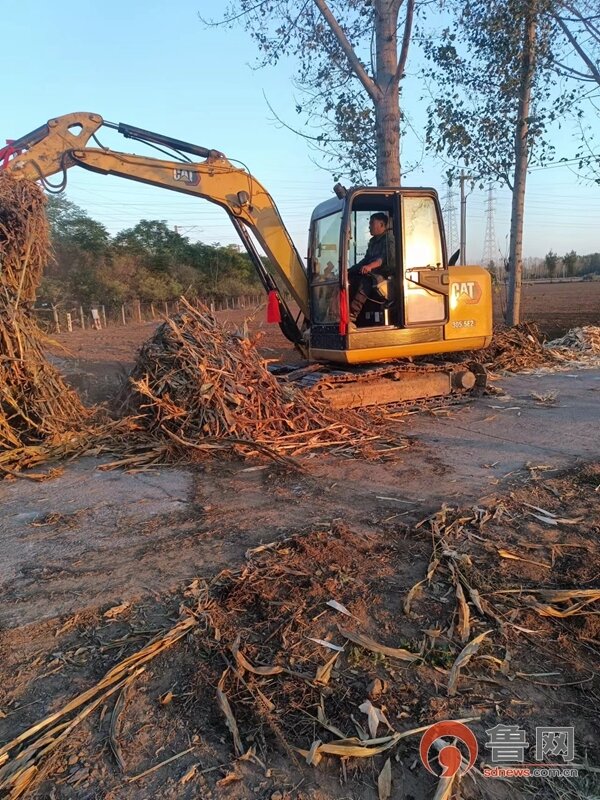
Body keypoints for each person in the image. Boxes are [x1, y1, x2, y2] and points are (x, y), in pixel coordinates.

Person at [348, 213, 395, 325]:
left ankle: (352, 315)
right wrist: (349, 271)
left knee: (366, 281)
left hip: (385, 274)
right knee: (351, 278)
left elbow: (382, 259)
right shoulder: (373, 241)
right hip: (373, 272)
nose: (369, 226)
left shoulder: (389, 239)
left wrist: (369, 267)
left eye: (371, 223)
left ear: (381, 224)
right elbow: (365, 260)